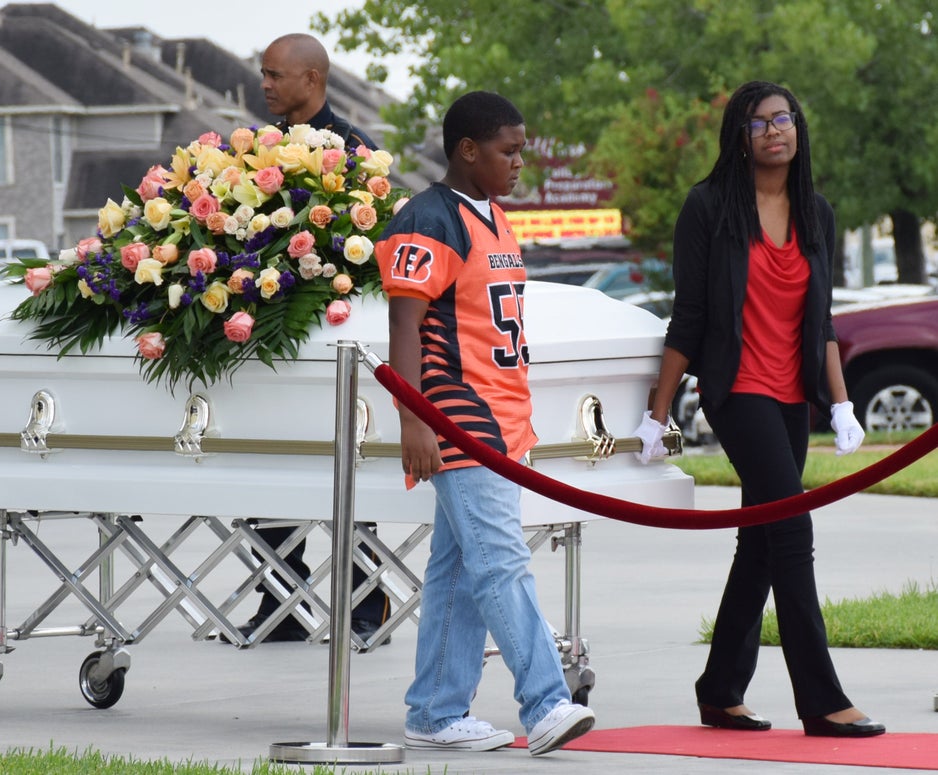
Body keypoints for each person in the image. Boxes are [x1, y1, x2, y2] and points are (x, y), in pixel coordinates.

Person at [633, 80, 885, 738]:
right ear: (739, 139)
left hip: (792, 396)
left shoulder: (816, 212)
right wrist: (658, 411)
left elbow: (822, 321)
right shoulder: (709, 206)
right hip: (736, 390)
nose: (775, 130)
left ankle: (720, 690)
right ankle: (822, 700)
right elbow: (689, 315)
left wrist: (841, 403)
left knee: (762, 543)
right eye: (759, 122)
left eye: (784, 118)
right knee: (792, 530)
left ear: (798, 127)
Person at [374, 90, 596, 755]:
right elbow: (404, 325)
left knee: (459, 570)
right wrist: (415, 419)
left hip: (500, 417)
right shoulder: (428, 217)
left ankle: (436, 711)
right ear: (468, 150)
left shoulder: (494, 215)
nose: (520, 161)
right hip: (457, 415)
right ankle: (546, 701)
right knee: (501, 561)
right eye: (510, 150)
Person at [223, 33, 389, 644]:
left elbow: (374, 254)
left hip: (334, 340)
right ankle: (282, 603)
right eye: (263, 74)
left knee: (352, 471)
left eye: (275, 75)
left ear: (312, 79)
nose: (264, 84)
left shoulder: (354, 151)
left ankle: (367, 603)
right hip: (269, 338)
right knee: (271, 468)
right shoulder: (252, 153)